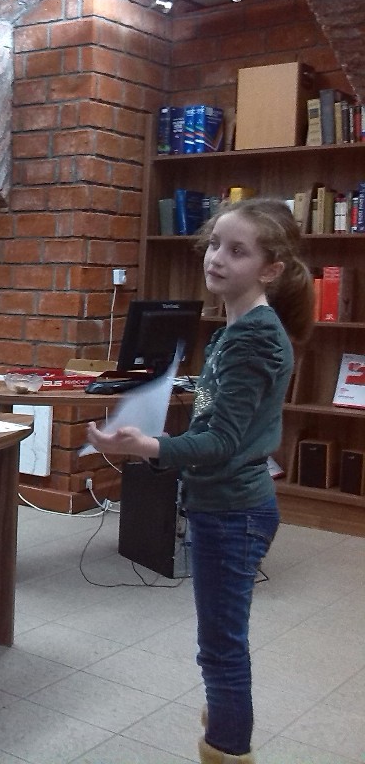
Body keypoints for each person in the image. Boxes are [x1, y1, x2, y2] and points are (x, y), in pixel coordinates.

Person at [85, 198, 314, 764]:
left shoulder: (253, 338)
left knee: (221, 649)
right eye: (214, 244)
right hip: (227, 504)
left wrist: (148, 447)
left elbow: (221, 443)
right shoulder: (237, 328)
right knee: (219, 643)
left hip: (233, 512)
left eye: (237, 251)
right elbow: (217, 426)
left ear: (270, 269)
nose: (216, 258)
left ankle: (228, 750)